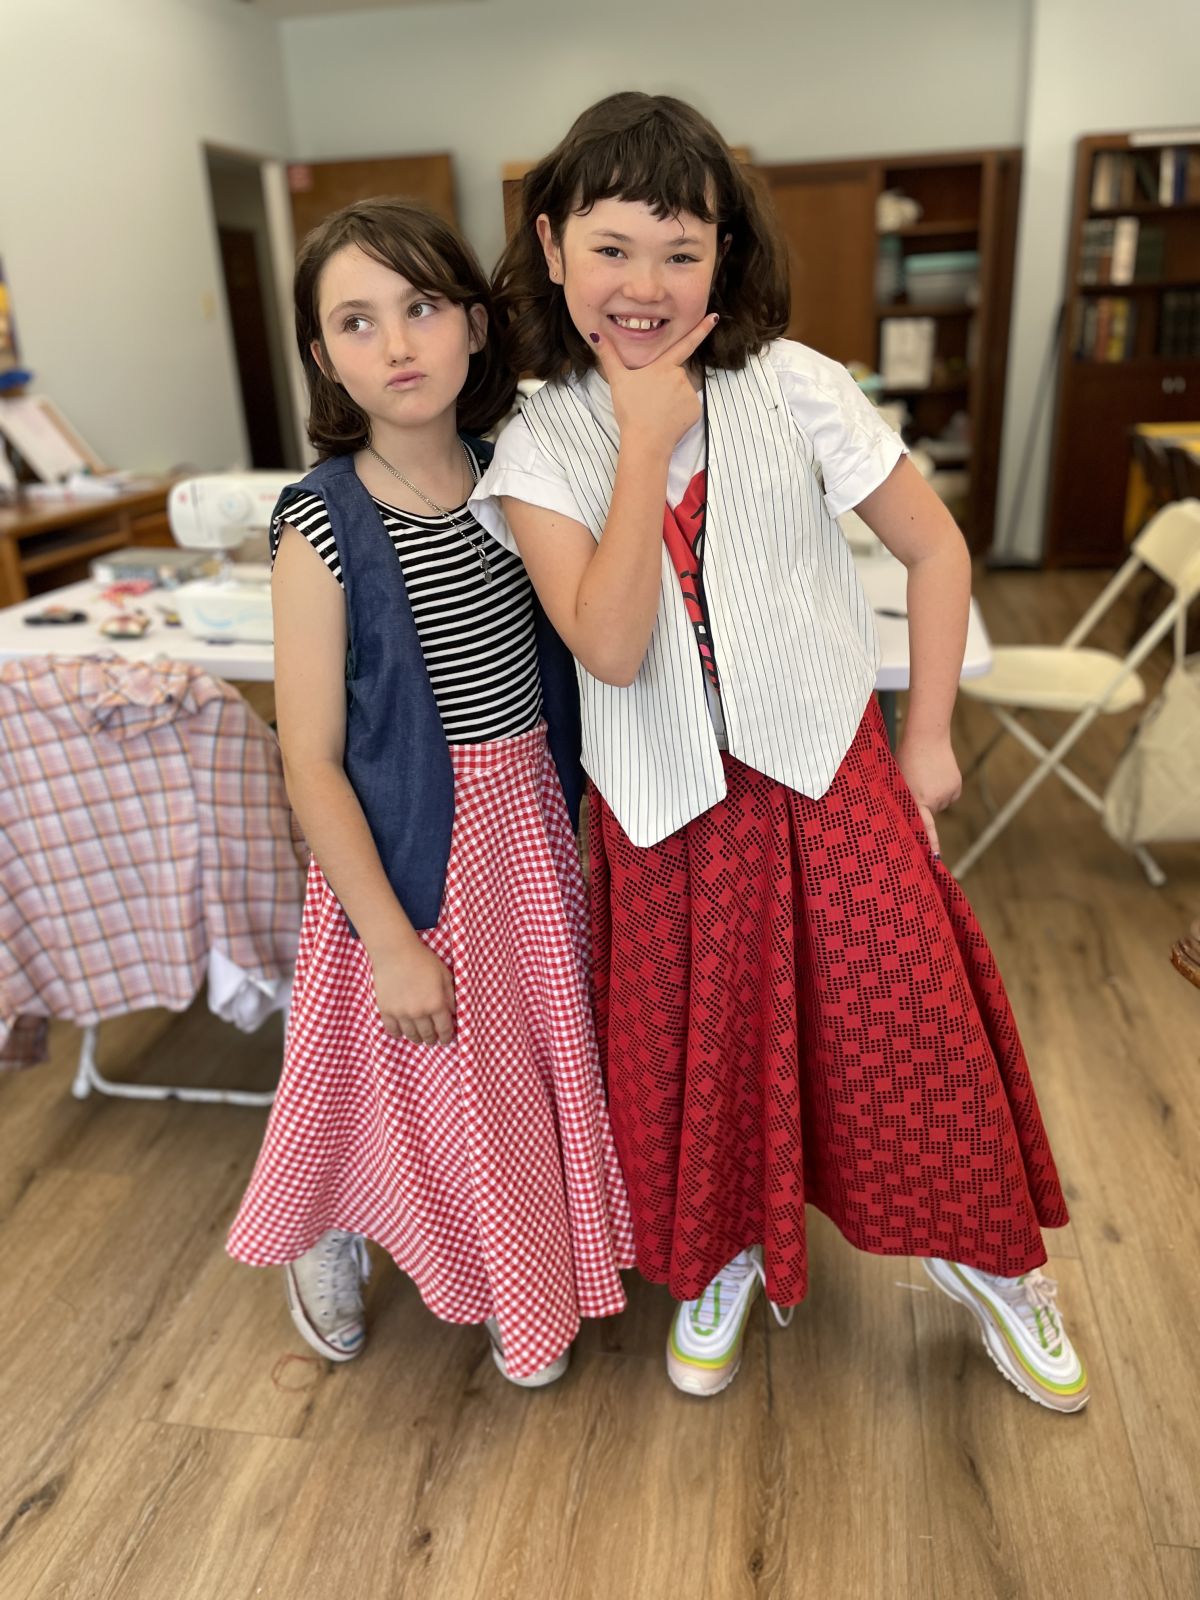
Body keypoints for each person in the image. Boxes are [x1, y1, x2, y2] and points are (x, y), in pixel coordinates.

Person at [470, 93, 1088, 1411]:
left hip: (828, 777)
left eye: (680, 251)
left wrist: (929, 735)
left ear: (726, 257)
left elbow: (936, 548)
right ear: (553, 245)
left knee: (906, 1031)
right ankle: (729, 1254)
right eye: (612, 247)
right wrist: (642, 439)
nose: (645, 285)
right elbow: (611, 647)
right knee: (708, 1063)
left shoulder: (796, 384)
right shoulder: (535, 442)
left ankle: (994, 1262)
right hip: (664, 812)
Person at [227, 197, 634, 1386]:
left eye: (420, 308)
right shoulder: (321, 522)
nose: (397, 344)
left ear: (475, 323)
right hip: (404, 849)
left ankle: (523, 1273)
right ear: (323, 356)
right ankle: (327, 1228)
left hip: (527, 835)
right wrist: (392, 940)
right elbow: (310, 756)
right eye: (357, 322)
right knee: (369, 1076)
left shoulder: (523, 475)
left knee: (505, 1075)